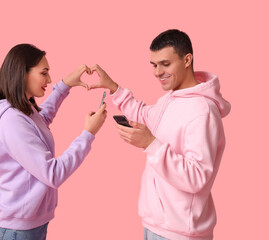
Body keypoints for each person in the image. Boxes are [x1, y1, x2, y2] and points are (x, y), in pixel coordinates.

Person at [89, 29, 231, 240]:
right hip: (156, 225)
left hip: (180, 233)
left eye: (165, 64)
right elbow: (144, 115)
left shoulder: (202, 110)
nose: (157, 72)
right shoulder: (171, 99)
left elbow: (197, 177)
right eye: (154, 65)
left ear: (187, 60)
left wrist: (150, 143)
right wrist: (113, 87)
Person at [0, 44, 107, 240]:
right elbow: (53, 173)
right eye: (44, 73)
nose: (49, 79)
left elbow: (41, 121)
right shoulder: (12, 121)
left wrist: (65, 86)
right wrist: (88, 134)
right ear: (23, 74)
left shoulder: (24, 110)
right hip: (16, 231)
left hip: (29, 225)